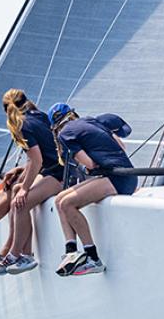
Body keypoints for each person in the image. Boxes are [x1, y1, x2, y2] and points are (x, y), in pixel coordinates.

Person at [0, 89, 65, 274]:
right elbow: (40, 155)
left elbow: (37, 160)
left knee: (20, 201)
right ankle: (8, 251)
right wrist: (20, 174)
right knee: (14, 188)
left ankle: (18, 254)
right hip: (53, 170)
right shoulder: (39, 115)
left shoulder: (21, 124)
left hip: (60, 174)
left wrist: (25, 188)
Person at [50, 104, 138, 276]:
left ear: (54, 127)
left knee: (67, 203)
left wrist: (91, 164)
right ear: (72, 114)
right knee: (59, 198)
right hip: (124, 175)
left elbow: (89, 164)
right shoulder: (91, 120)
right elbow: (121, 146)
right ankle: (71, 251)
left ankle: (93, 258)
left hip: (117, 179)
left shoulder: (64, 134)